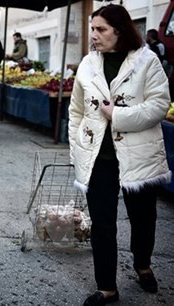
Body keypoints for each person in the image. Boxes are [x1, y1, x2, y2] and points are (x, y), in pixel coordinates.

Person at [68, 4, 171, 306]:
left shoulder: (147, 61)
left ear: (120, 30)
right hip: (98, 159)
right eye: (93, 29)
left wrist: (119, 115)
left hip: (139, 157)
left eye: (100, 29)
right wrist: (77, 147)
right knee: (102, 223)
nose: (94, 36)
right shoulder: (88, 63)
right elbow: (76, 111)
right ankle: (107, 288)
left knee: (143, 218)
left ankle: (143, 264)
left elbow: (159, 105)